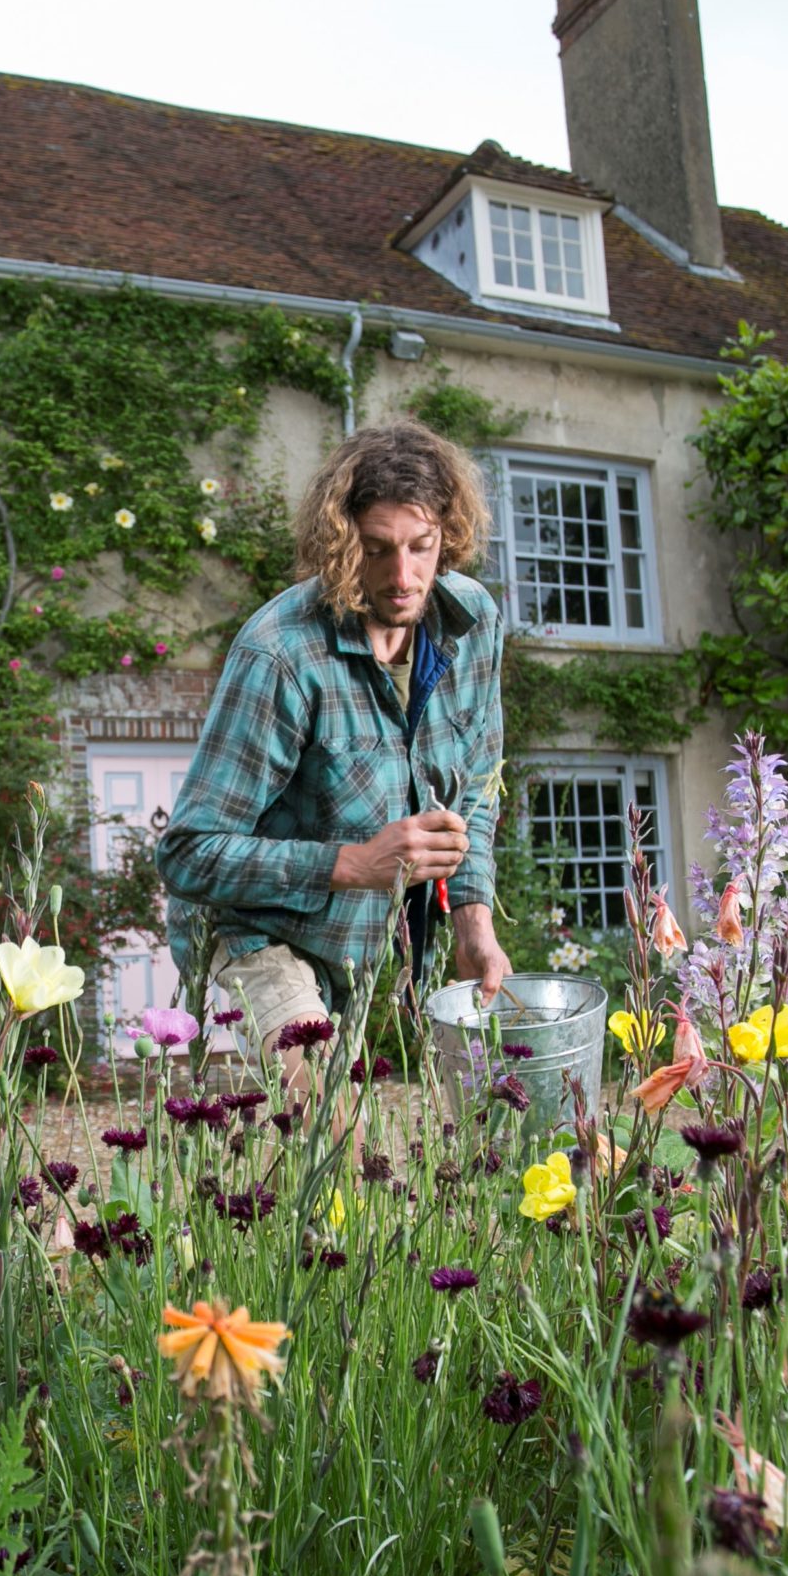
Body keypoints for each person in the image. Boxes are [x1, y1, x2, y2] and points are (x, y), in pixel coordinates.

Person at [158, 419, 513, 1084]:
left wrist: (473, 923)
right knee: (325, 1128)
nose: (402, 576)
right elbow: (185, 853)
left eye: (422, 547)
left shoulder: (473, 625)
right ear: (342, 542)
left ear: (448, 537)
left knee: (380, 1149)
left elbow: (476, 793)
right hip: (258, 931)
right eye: (377, 549)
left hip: (356, 942)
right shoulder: (281, 654)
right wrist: (355, 862)